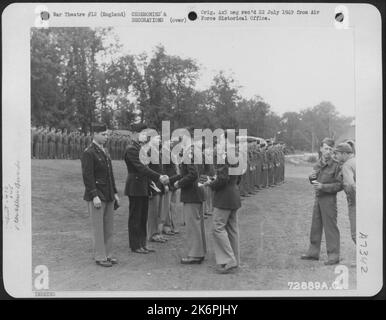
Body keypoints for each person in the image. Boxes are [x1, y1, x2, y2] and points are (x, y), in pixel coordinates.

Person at [123, 124, 170, 254]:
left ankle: (143, 243)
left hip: (143, 185)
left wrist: (151, 183)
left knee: (143, 217)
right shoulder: (131, 149)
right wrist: (158, 177)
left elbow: (145, 169)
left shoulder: (140, 148)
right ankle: (135, 245)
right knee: (135, 217)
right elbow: (141, 168)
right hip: (135, 186)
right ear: (135, 134)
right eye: (143, 133)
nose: (145, 136)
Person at [81, 123, 120, 267]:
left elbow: (110, 175)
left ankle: (108, 254)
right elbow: (88, 176)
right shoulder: (89, 152)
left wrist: (115, 192)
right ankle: (100, 256)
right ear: (95, 134)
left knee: (108, 227)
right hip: (98, 195)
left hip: (108, 193)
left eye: (107, 134)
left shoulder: (104, 151)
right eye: (103, 134)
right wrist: (94, 195)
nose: (106, 137)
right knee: (98, 228)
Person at [301, 138, 343, 265]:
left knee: (330, 228)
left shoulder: (336, 165)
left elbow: (340, 185)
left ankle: (334, 256)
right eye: (326, 148)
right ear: (321, 149)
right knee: (316, 226)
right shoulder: (318, 163)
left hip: (329, 200)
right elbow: (314, 178)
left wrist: (323, 187)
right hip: (318, 197)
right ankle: (313, 252)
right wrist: (313, 181)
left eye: (330, 149)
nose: (328, 151)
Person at [203, 143, 242, 274]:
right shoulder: (236, 155)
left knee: (217, 227)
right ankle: (235, 259)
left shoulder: (223, 155)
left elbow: (222, 179)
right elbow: (238, 177)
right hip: (234, 195)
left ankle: (229, 259)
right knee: (232, 229)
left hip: (224, 198)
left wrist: (211, 184)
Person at [174, 144, 207, 264]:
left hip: (191, 193)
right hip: (196, 192)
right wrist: (173, 180)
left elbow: (192, 174)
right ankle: (200, 252)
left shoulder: (188, 153)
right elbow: (186, 173)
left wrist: (179, 184)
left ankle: (195, 254)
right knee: (197, 224)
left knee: (192, 225)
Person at [334, 142, 356, 244]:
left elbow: (350, 186)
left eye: (337, 153)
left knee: (356, 234)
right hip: (367, 201)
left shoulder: (347, 165)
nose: (335, 156)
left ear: (344, 153)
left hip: (355, 203)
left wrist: (351, 201)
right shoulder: (356, 160)